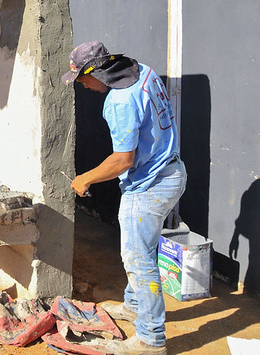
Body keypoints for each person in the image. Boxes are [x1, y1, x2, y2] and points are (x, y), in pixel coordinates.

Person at [63, 41, 186, 355]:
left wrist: (85, 178)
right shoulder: (141, 71)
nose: (83, 86)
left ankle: (151, 339)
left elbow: (123, 160)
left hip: (148, 187)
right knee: (140, 250)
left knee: (139, 262)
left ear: (96, 71)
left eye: (82, 79)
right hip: (171, 171)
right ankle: (134, 306)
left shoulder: (119, 102)